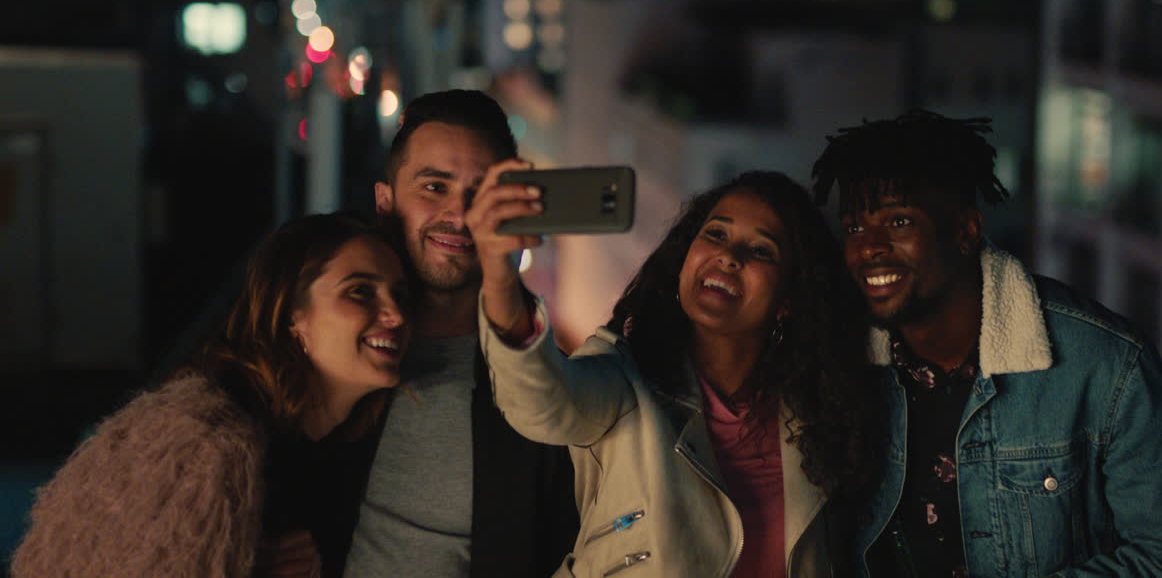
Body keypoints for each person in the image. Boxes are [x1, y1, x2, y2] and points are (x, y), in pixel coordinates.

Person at [810, 110, 1162, 577]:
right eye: (853, 227)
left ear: (965, 232)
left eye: (899, 221)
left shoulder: (1103, 363)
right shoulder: (842, 364)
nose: (868, 246)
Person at [467, 168, 881, 577]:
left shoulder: (821, 413)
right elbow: (541, 403)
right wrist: (500, 278)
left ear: (789, 299)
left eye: (760, 251)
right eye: (715, 234)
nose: (728, 256)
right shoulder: (625, 381)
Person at [11, 212, 411, 578]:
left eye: (401, 295)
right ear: (292, 314)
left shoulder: (330, 448)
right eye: (361, 292)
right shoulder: (203, 445)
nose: (395, 315)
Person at [343, 90, 578, 578]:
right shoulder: (336, 346)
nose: (459, 214)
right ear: (385, 202)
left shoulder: (540, 386)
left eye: (483, 196)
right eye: (434, 187)